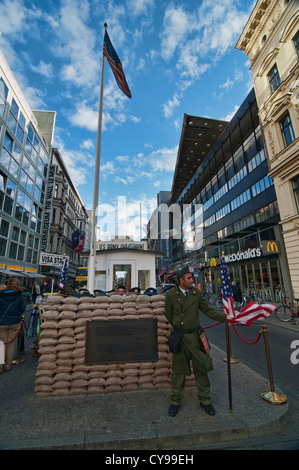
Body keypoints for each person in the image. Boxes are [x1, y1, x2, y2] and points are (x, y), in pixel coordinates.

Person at [164, 266, 226, 417]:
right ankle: (175, 401)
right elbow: (168, 314)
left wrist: (225, 317)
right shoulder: (171, 295)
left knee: (201, 368)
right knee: (178, 371)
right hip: (180, 337)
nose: (192, 280)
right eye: (189, 278)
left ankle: (205, 400)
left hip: (195, 337)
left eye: (192, 277)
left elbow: (208, 310)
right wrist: (179, 326)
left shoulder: (196, 293)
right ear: (180, 280)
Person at [0, 277, 26, 373]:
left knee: (2, 343)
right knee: (11, 344)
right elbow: (23, 309)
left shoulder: (1, 295)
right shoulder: (19, 296)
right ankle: (8, 365)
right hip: (15, 322)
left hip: (2, 322)